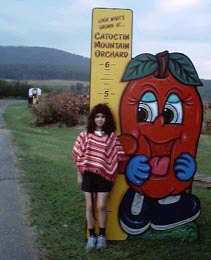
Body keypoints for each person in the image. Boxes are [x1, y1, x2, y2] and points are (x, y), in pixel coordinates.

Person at [72, 103, 125, 250]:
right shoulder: (85, 135)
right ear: (93, 118)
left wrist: (111, 171)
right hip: (88, 174)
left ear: (106, 119)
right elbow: (77, 155)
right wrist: (79, 174)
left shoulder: (111, 137)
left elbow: (118, 156)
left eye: (103, 117)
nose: (100, 119)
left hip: (104, 175)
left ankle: (102, 235)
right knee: (89, 206)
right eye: (97, 116)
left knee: (101, 206)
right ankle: (91, 236)